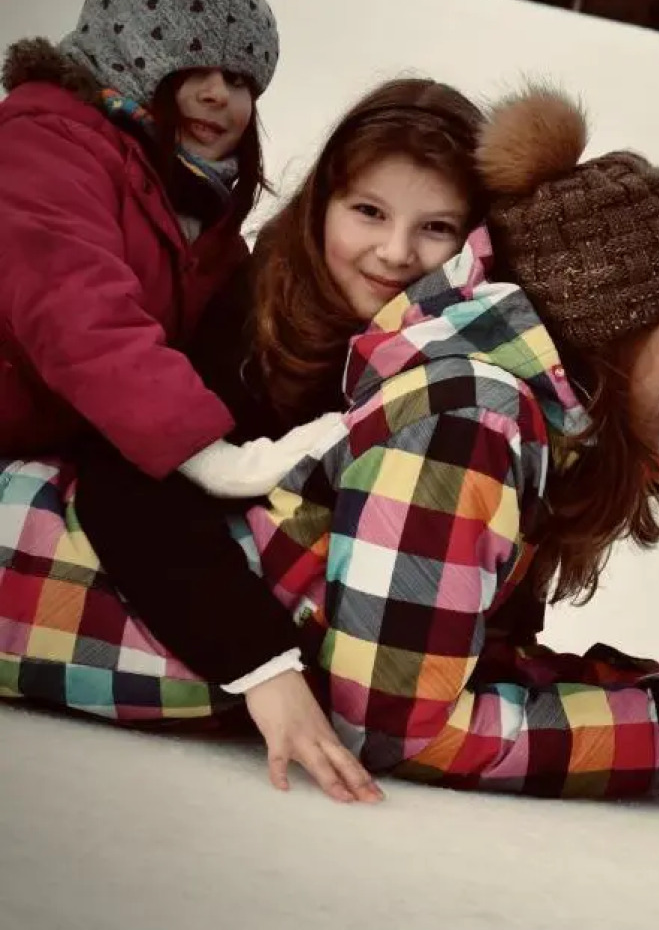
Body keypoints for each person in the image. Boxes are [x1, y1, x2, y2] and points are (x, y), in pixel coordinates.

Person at [0, 84, 659, 795]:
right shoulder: (462, 415)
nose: (398, 254)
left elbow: (435, 662)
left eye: (436, 229)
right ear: (617, 326)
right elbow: (398, 723)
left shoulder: (499, 406)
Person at [70, 77, 491, 804]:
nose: (395, 253)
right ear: (323, 202)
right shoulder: (256, 310)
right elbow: (129, 480)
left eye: (437, 227)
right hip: (169, 613)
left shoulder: (460, 362)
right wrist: (266, 668)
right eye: (368, 212)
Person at [0, 0, 333, 495]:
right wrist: (202, 450)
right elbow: (79, 310)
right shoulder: (45, 147)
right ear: (127, 57)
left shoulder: (197, 203)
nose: (217, 95)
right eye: (192, 68)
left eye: (237, 78)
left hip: (64, 446)